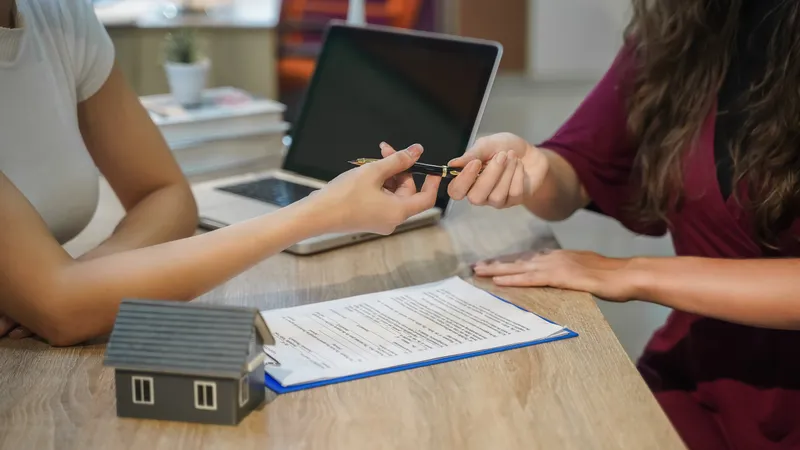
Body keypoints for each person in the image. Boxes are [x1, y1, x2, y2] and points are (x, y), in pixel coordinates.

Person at [444, 0, 800, 448]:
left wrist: (627, 271)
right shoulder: (683, 24)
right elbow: (577, 170)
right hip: (698, 375)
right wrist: (535, 168)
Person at [0, 0, 440, 347]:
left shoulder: (60, 16)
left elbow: (167, 194)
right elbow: (63, 311)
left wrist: (86, 279)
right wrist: (319, 213)